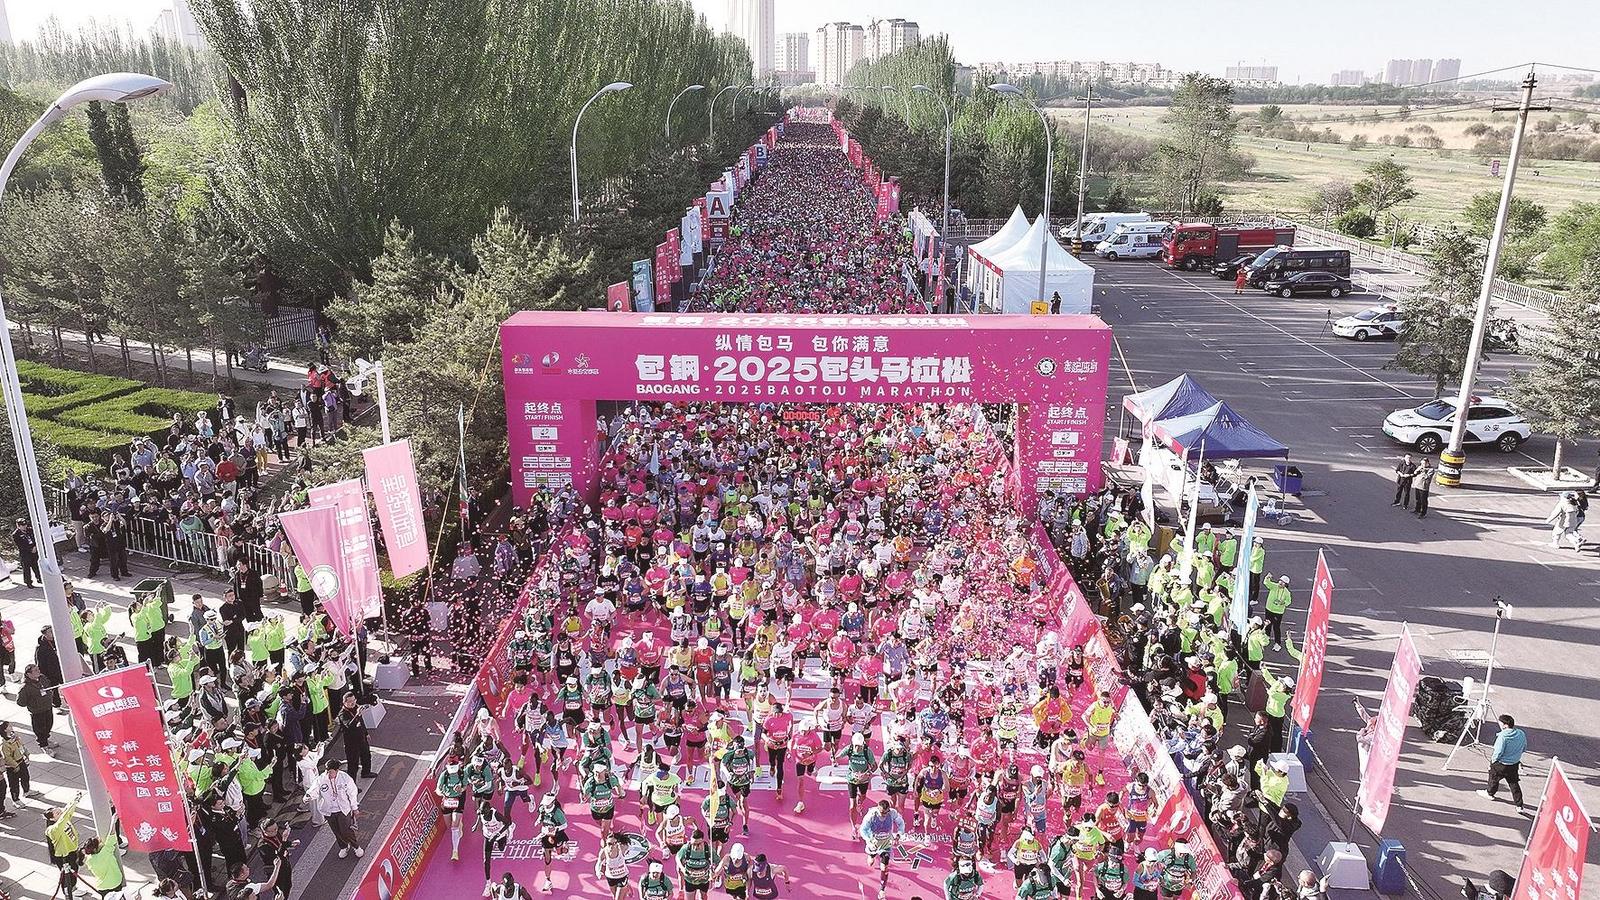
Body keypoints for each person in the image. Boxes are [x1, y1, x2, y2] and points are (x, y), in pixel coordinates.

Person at [314, 758, 363, 859]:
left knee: (345, 830)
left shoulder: (345, 778)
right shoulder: (321, 779)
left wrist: (354, 808)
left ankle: (356, 846)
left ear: (337, 770)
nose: (328, 774)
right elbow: (314, 789)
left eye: (331, 772)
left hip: (343, 809)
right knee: (336, 831)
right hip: (329, 810)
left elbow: (352, 793)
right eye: (327, 771)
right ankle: (344, 846)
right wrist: (308, 796)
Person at [1477, 714, 1527, 811]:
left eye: (1500, 723)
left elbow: (1498, 752)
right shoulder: (1521, 733)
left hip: (1501, 764)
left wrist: (1492, 762)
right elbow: (1524, 747)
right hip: (1514, 764)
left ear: (1505, 725)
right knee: (1514, 784)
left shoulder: (1503, 736)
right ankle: (1519, 805)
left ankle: (1490, 793)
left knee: (1493, 778)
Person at [859, 798, 905, 900]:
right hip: (873, 843)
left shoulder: (892, 813)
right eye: (882, 813)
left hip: (886, 844)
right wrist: (869, 841)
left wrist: (898, 835)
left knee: (884, 867)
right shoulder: (871, 815)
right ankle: (871, 856)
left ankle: (882, 890)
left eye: (886, 812)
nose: (884, 815)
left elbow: (901, 823)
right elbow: (863, 830)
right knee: (870, 862)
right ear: (878, 809)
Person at [478, 803, 516, 896]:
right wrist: (476, 824)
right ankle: (488, 883)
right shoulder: (481, 813)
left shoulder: (496, 815)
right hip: (488, 836)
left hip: (500, 835)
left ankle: (511, 829)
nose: (483, 814)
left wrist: (497, 834)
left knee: (501, 849)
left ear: (489, 809)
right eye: (482, 813)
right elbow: (479, 817)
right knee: (486, 860)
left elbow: (507, 823)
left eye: (484, 813)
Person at [16, 664, 54, 750]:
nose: (38, 671)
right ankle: (44, 745)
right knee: (40, 730)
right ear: (29, 674)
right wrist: (33, 702)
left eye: (38, 669)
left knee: (48, 725)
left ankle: (46, 740)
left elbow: (48, 685)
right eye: (35, 670)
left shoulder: (42, 678)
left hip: (47, 707)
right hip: (37, 712)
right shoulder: (25, 687)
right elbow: (20, 702)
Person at [10, 518, 39, 589]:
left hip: (34, 550)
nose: (24, 526)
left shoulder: (30, 530)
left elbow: (36, 538)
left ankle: (39, 578)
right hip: (25, 553)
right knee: (26, 568)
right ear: (18, 526)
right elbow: (20, 545)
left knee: (36, 566)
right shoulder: (16, 534)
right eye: (22, 525)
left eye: (25, 525)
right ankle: (29, 582)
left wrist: (35, 546)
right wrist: (30, 549)